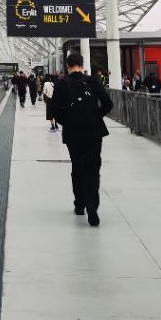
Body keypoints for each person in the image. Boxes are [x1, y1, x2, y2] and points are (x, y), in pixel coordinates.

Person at [48, 53, 112, 227]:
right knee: (93, 168)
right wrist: (95, 117)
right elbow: (108, 104)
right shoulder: (93, 81)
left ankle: (80, 204)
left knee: (77, 166)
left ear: (67, 66)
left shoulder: (62, 84)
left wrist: (68, 122)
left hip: (73, 133)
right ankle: (92, 204)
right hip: (94, 131)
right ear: (82, 64)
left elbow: (55, 110)